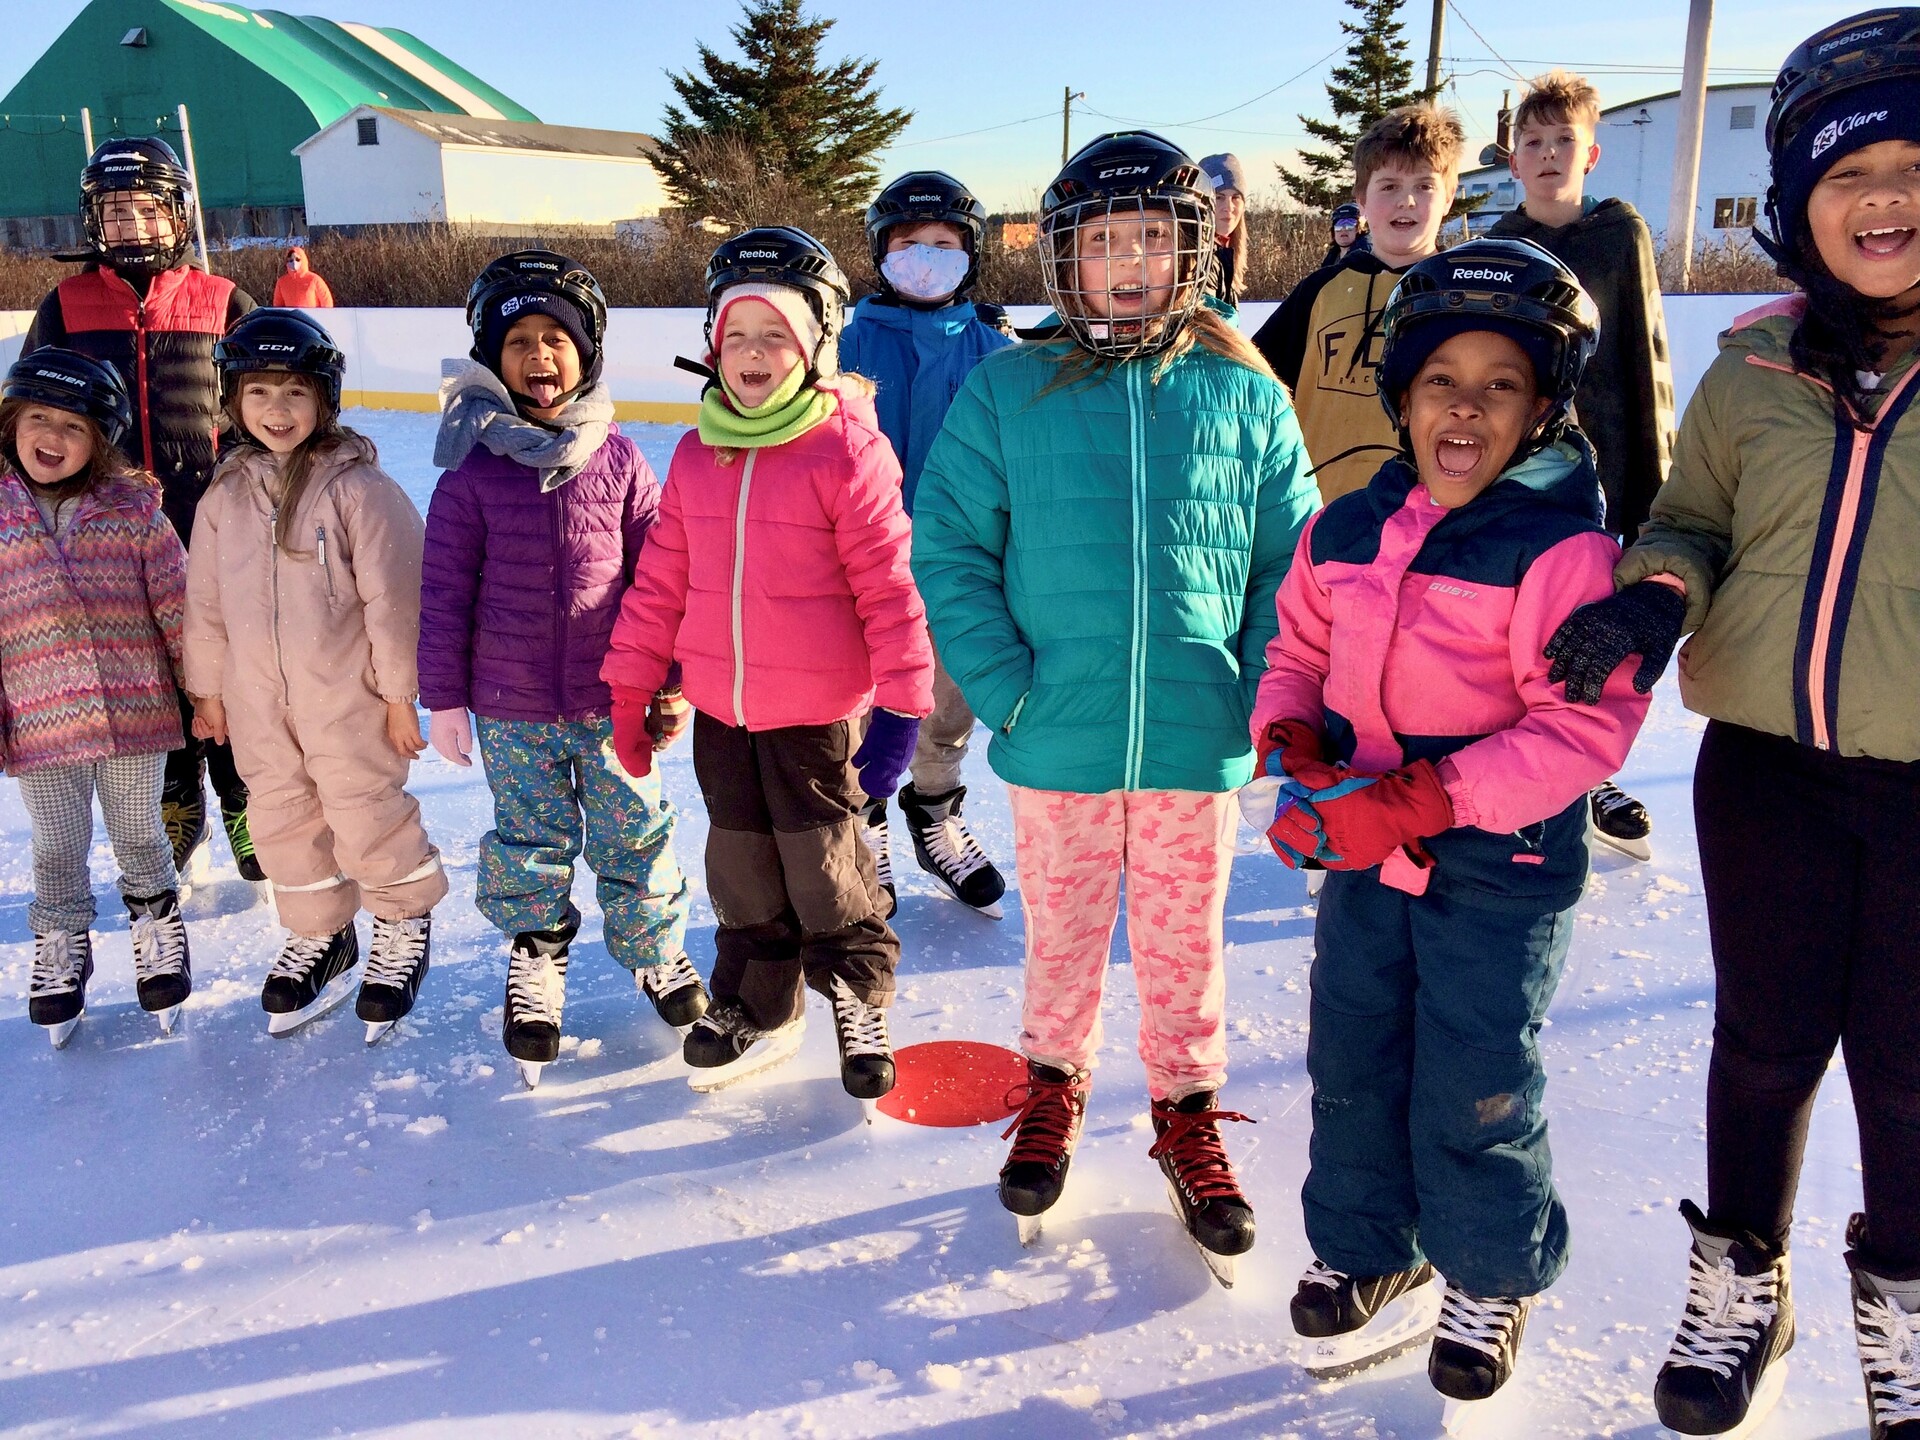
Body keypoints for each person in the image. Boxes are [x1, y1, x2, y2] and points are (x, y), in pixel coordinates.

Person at [1545, 14, 1920, 1435]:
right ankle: (1739, 1287)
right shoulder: (1754, 369)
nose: (1882, 195)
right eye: (1849, 171)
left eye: (1912, 163)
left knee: (1909, 1064)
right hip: (1761, 763)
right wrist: (1653, 594)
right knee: (1763, 1042)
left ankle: (1905, 1304)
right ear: (1801, 207)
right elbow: (1692, 521)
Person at [911, 132, 1319, 1277]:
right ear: (1065, 263)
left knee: (1189, 946)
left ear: (1192, 252)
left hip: (1199, 736)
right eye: (1102, 243)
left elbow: (1293, 559)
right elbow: (948, 548)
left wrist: (1256, 692)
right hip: (1061, 735)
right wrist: (1009, 692)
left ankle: (1188, 1115)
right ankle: (1052, 1085)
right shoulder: (1008, 390)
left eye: (1151, 237)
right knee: (1066, 935)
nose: (1128, 263)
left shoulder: (1244, 390)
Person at [1252, 238, 1646, 1402]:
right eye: (1440, 381)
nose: (1464, 407)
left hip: (1498, 861)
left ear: (1543, 408)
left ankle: (1489, 1270)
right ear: (1401, 396)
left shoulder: (1562, 545)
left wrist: (1427, 798)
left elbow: (1581, 730)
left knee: (1475, 1070)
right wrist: (1294, 742)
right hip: (1363, 843)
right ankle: (1372, 1249)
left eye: (1501, 386)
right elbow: (1296, 652)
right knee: (1356, 1050)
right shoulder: (1347, 526)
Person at [602, 227, 934, 1102]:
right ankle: (759, 1001)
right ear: (713, 346)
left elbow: (892, 592)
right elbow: (660, 583)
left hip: (819, 715)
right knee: (741, 868)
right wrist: (633, 685)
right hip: (721, 710)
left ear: (816, 344)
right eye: (736, 335)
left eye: (776, 335)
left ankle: (857, 997)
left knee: (827, 869)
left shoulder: (846, 450)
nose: (752, 355)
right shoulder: (696, 450)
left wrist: (902, 707)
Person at [420, 251, 702, 1088]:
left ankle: (654, 950)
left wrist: (672, 679)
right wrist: (443, 699)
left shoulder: (619, 461)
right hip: (509, 706)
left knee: (634, 829)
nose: (539, 356)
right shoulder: (470, 473)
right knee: (530, 838)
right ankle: (538, 953)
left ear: (588, 355)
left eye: (556, 339)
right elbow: (442, 594)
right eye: (518, 343)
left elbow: (662, 583)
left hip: (611, 696)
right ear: (489, 358)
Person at [185, 309, 445, 1041]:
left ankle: (400, 924)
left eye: (294, 392)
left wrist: (399, 696)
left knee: (365, 809)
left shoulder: (361, 490)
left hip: (348, 697)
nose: (277, 409)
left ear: (324, 400)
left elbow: (396, 602)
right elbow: (202, 601)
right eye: (260, 392)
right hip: (257, 701)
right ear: (233, 400)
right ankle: (322, 934)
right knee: (280, 817)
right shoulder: (222, 498)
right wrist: (206, 689)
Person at [25, 138, 259, 890]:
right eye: (113, 212)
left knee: (225, 665)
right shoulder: (63, 306)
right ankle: (175, 797)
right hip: (113, 537)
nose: (129, 226)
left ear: (176, 215)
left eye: (144, 210)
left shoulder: (224, 299)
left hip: (212, 525)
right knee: (150, 675)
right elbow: (31, 413)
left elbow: (266, 406)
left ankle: (242, 796)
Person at [1491, 69, 1677, 863]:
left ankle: (1587, 777)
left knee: (1591, 630)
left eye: (1563, 139)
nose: (1547, 153)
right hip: (1519, 472)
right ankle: (1516, 769)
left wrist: (1651, 495)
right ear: (1511, 157)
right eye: (1532, 140)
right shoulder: (1498, 244)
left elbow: (1645, 359)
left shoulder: (1617, 235)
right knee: (1514, 625)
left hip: (1601, 474)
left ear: (1592, 152)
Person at [0, 348, 193, 1045]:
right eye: (38, 419)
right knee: (55, 846)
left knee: (140, 833)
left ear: (101, 440)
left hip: (133, 716)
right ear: (11, 423)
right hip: (39, 724)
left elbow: (180, 607)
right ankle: (60, 944)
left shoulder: (135, 511)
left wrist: (201, 690)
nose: (52, 437)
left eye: (74, 427)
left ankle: (156, 926)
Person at [839, 170, 1016, 920]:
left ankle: (932, 807)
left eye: (943, 246)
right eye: (909, 245)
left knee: (949, 697)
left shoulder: (996, 349)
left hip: (962, 563)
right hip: (861, 563)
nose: (925, 259)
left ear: (969, 256)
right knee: (858, 701)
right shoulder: (841, 344)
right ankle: (863, 818)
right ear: (881, 252)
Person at [1253, 104, 1464, 503]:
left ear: (1449, 197)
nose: (1407, 201)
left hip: (1425, 520)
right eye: (1389, 187)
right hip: (1317, 510)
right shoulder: (1320, 291)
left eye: (1424, 186)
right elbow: (1253, 383)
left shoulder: (1465, 298)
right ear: (1362, 200)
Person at [1199, 153, 1251, 309]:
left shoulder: (1225, 252)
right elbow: (1207, 327)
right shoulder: (1199, 258)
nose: (1229, 207)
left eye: (1236, 197)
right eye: (1219, 197)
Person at [1323, 202, 1370, 266]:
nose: (1343, 229)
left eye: (1349, 225)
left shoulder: (1367, 255)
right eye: (1339, 225)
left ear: (1359, 229)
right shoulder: (1332, 256)